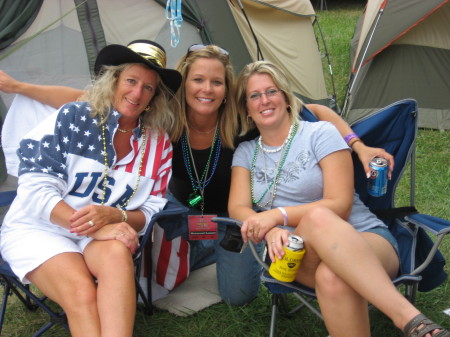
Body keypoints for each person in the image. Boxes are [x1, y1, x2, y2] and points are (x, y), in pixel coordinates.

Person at [0, 45, 394, 306]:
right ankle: (85, 271)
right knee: (144, 272)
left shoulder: (244, 121)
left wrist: (357, 145)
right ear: (184, 84)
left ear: (228, 90)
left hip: (230, 219)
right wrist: (18, 86)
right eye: (198, 80)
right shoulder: (164, 117)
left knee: (238, 294)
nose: (207, 89)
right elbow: (83, 99)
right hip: (176, 209)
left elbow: (313, 111)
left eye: (217, 82)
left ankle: (212, 252)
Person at [228, 60, 449, 337]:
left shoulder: (320, 133)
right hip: (296, 255)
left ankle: (410, 322)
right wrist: (271, 227)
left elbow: (339, 204)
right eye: (254, 96)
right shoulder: (246, 153)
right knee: (317, 221)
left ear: (286, 97)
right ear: (246, 108)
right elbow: (237, 207)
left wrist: (276, 215)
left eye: (271, 91)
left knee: (331, 273)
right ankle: (411, 320)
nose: (264, 100)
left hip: (368, 241)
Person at [0, 40, 181, 337]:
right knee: (82, 293)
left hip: (102, 229)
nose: (137, 93)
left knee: (116, 257)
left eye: (148, 88)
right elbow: (35, 192)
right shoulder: (74, 118)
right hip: (40, 227)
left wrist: (115, 216)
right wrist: (96, 228)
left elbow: (150, 209)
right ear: (114, 80)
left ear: (155, 97)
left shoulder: (158, 143)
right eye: (131, 81)